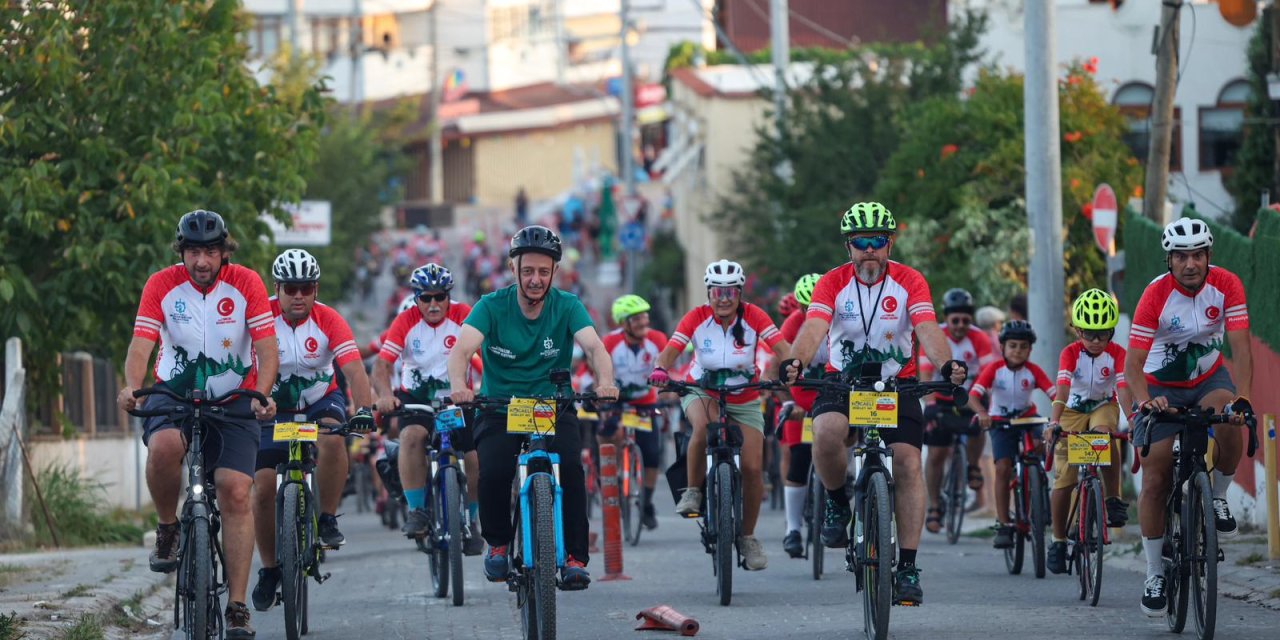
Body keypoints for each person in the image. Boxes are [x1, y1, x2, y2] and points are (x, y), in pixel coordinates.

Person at [780, 202, 967, 605]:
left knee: (907, 463)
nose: (869, 250)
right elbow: (814, 327)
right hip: (843, 381)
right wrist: (795, 359)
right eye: (860, 242)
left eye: (876, 242)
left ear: (889, 244)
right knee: (826, 433)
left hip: (896, 383)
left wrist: (947, 363)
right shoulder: (831, 282)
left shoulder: (910, 280)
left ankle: (909, 565)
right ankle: (835, 502)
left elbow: (926, 327)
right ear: (849, 247)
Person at [116, 210, 277, 638]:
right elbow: (141, 345)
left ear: (224, 252)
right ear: (181, 252)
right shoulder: (161, 284)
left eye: (210, 251)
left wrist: (263, 394)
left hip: (236, 399)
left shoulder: (247, 283)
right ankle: (168, 526)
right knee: (165, 447)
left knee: (235, 490)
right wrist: (133, 387)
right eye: (193, 252)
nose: (201, 261)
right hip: (174, 395)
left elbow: (267, 347)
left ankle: (238, 606)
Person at [447, 225, 619, 590]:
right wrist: (460, 387)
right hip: (500, 407)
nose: (536, 279)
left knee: (572, 469)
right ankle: (497, 543)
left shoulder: (568, 305)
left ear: (555, 271)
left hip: (552, 406)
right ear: (514, 269)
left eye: (543, 271)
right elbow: (461, 351)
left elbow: (595, 348)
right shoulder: (490, 306)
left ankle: (575, 557)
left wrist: (605, 382)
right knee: (492, 471)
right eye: (528, 271)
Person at [1126, 218, 1252, 616]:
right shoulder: (1155, 296)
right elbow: (1132, 365)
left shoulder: (1228, 284)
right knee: (1157, 473)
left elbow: (1242, 349)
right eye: (1181, 256)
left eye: (1198, 255)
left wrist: (1242, 400)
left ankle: (1216, 498)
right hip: (1159, 386)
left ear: (1209, 256)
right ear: (1170, 260)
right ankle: (1153, 573)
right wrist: (1146, 401)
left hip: (1207, 378)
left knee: (1230, 421)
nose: (1190, 263)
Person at [250, 250, 376, 611]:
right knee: (260, 488)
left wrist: (364, 409)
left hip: (321, 401)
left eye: (306, 288)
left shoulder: (329, 319)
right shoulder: (260, 318)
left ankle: (327, 517)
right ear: (277, 289)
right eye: (291, 288)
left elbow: (353, 370)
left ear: (316, 289)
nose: (299, 296)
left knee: (335, 439)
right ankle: (271, 570)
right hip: (273, 410)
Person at [649, 260, 791, 571]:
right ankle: (692, 491)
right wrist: (661, 368)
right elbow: (673, 348)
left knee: (754, 468)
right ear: (709, 293)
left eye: (730, 292)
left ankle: (748, 537)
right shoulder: (697, 317)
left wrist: (792, 367)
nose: (723, 298)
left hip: (746, 396)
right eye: (717, 291)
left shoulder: (754, 316)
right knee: (704, 426)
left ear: (739, 293)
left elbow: (782, 347)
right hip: (702, 391)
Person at [373, 264, 484, 555]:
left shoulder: (465, 315)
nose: (433, 304)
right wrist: (385, 394)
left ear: (449, 296)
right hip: (417, 399)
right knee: (410, 436)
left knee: (472, 456)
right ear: (416, 297)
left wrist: (485, 388)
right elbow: (382, 365)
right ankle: (418, 511)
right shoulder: (404, 321)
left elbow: (488, 355)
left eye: (439, 297)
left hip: (458, 398)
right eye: (426, 298)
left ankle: (471, 519)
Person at [1045, 288, 1134, 575]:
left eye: (1103, 334)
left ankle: (1113, 498)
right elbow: (1062, 390)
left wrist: (1133, 422)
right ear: (1076, 331)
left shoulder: (1119, 353)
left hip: (1102, 406)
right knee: (1065, 477)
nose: (1096, 341)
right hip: (1070, 411)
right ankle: (1058, 540)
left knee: (1105, 435)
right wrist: (1054, 422)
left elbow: (1122, 390)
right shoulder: (1069, 353)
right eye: (1089, 334)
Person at [966, 319, 1055, 549]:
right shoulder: (994, 370)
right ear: (1003, 347)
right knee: (1003, 467)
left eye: (1023, 346)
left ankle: (1041, 499)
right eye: (1013, 345)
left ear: (1030, 350)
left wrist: (1060, 415)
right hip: (1000, 422)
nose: (1018, 351)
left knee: (1042, 447)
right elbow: (973, 395)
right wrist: (982, 412)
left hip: (1028, 419)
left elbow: (1055, 394)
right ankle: (1004, 523)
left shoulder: (1033, 371)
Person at [920, 288, 996, 533]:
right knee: (936, 454)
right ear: (946, 317)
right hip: (940, 398)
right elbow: (925, 375)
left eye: (966, 320)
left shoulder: (979, 338)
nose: (961, 325)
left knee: (978, 424)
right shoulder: (935, 336)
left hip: (968, 398)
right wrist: (930, 406)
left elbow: (987, 374)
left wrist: (984, 404)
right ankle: (934, 505)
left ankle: (972, 464)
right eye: (956, 320)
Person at [600, 295, 668, 530]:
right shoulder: (610, 342)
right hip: (617, 402)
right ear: (624, 323)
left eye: (645, 317)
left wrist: (670, 390)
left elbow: (666, 367)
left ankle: (646, 503)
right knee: (611, 434)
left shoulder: (657, 339)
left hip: (645, 404)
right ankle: (616, 474)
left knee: (651, 453)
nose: (643, 322)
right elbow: (599, 370)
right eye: (637, 319)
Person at [778, 273, 825, 558]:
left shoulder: (843, 320)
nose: (811, 313)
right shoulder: (793, 324)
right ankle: (792, 529)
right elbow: (774, 369)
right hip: (801, 405)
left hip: (835, 400)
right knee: (798, 461)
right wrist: (786, 402)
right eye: (805, 308)